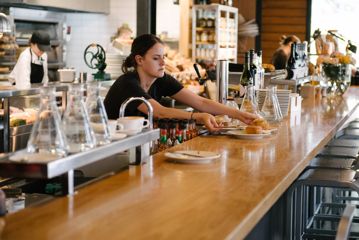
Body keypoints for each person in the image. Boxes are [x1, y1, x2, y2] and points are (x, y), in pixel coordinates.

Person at [104, 34, 257, 131]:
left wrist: (240, 115)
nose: (163, 62)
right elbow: (159, 112)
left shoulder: (161, 79)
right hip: (112, 146)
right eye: (156, 58)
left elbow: (201, 102)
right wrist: (197, 117)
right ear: (139, 60)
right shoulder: (128, 83)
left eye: (164, 57)